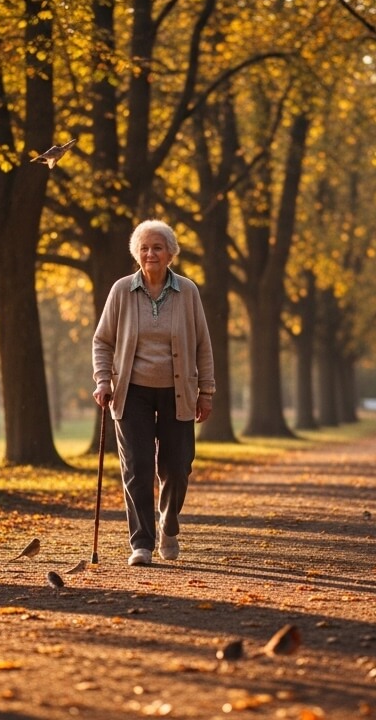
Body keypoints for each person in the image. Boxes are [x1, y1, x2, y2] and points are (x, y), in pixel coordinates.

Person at [92, 220, 215, 566]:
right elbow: (102, 341)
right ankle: (142, 543)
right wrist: (103, 380)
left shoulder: (187, 291)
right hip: (132, 392)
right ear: (136, 254)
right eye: (144, 248)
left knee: (177, 468)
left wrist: (206, 391)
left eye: (158, 247)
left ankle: (168, 522)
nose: (151, 254)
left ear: (171, 253)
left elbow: (203, 344)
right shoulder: (121, 291)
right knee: (138, 468)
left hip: (179, 390)